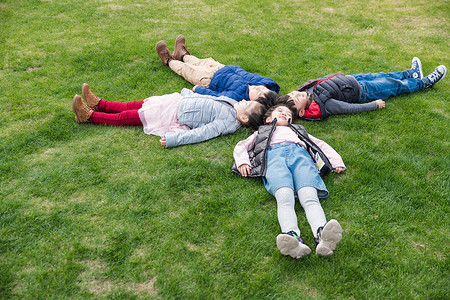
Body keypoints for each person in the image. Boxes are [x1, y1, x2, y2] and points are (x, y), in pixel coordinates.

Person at [232, 103, 346, 258]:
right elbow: (242, 146)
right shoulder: (262, 131)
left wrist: (336, 161)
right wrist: (243, 161)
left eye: (288, 114)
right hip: (274, 159)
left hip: (301, 158)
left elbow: (320, 145)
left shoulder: (298, 131)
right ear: (268, 119)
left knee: (310, 197)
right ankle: (292, 238)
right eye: (280, 111)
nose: (285, 114)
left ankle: (323, 235)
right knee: (284, 197)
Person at [71, 83, 271, 148]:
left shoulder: (227, 123)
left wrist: (176, 139)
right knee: (135, 104)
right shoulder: (233, 106)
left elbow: (201, 133)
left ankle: (88, 116)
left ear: (244, 119)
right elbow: (208, 99)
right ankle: (99, 104)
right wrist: (190, 94)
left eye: (248, 104)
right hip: (176, 102)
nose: (244, 100)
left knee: (128, 116)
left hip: (173, 115)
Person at [277, 58, 447, 120]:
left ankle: (410, 74)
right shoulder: (323, 106)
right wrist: (373, 105)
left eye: (292, 93)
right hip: (364, 91)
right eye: (296, 99)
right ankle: (425, 83)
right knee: (391, 84)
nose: (296, 94)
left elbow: (319, 80)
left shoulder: (307, 92)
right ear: (301, 112)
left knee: (382, 74)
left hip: (353, 78)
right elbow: (349, 108)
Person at [155, 35, 280, 103]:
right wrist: (272, 88)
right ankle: (182, 54)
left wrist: (199, 89)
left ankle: (168, 60)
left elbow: (217, 96)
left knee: (186, 69)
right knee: (198, 61)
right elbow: (265, 81)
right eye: (263, 88)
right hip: (221, 67)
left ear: (252, 102)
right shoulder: (254, 83)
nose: (259, 88)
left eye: (258, 93)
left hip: (208, 79)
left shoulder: (238, 97)